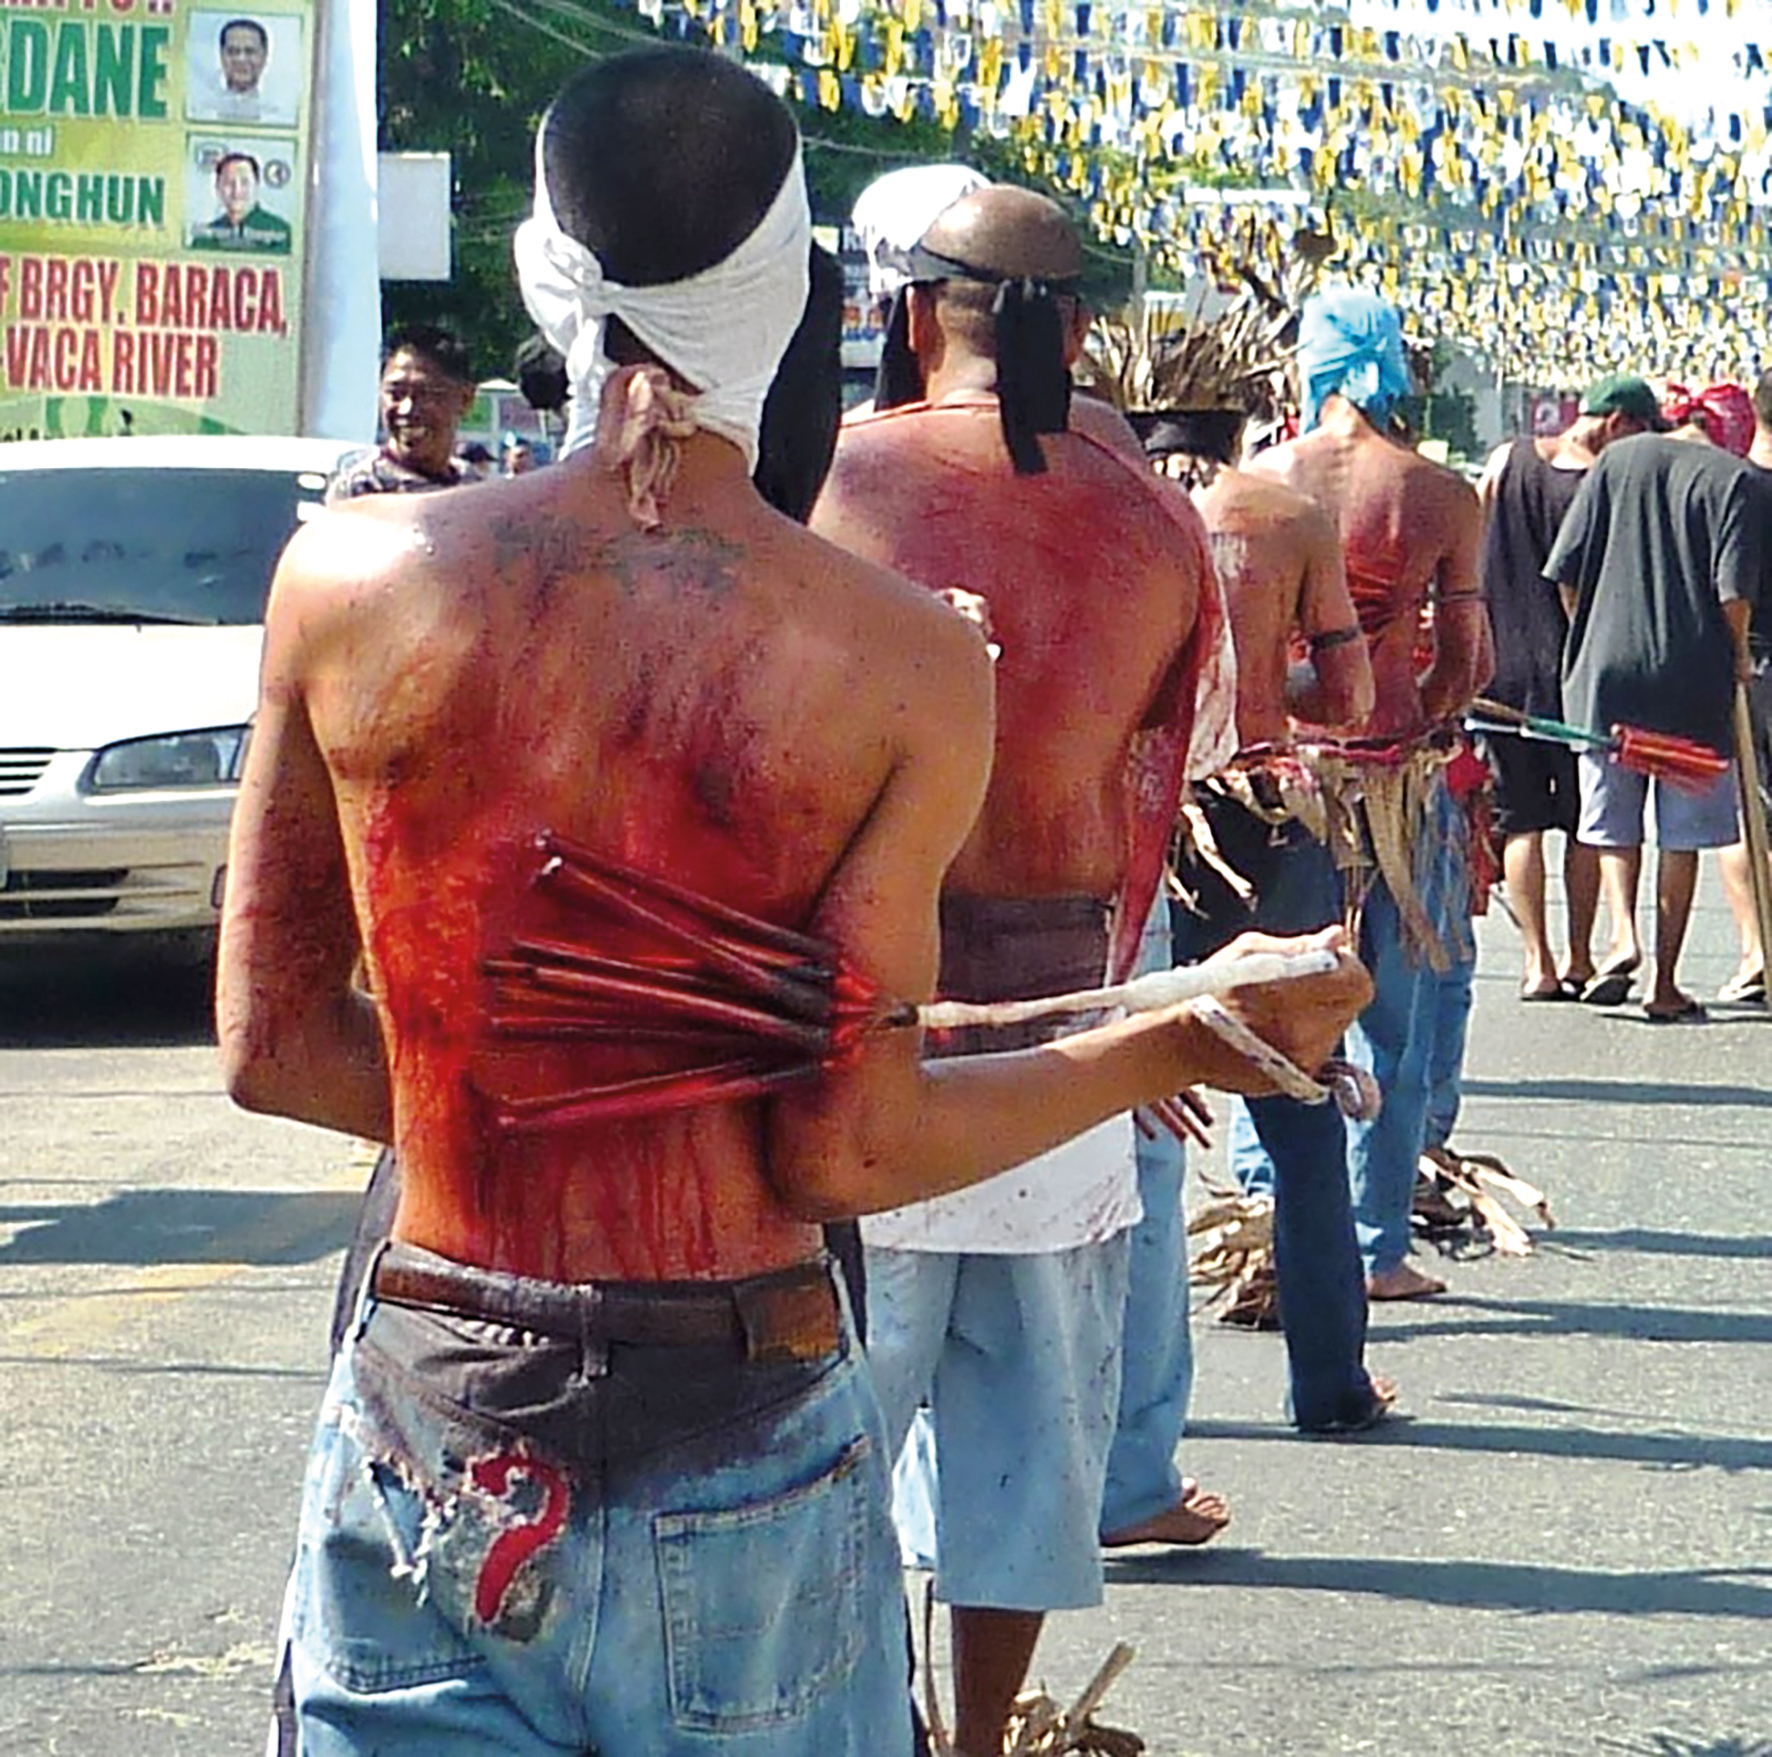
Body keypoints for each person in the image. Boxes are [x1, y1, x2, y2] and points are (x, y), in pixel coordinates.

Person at [220, 47, 1369, 1756]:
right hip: (740, 1411)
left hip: (440, 1408)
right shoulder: (902, 662)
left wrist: (515, 1125)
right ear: (802, 294)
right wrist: (1175, 1039)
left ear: (545, 275)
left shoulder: (345, 583)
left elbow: (272, 1048)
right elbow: (844, 1150)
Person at [810, 185, 1245, 1757]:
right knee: (1025, 1455)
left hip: (858, 1034)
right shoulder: (1153, 522)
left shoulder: (830, 482)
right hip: (1069, 1041)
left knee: (826, 1444)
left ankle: (871, 1724)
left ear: (917, 316)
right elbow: (1182, 765)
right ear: (1073, 334)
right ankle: (978, 1738)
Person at [1116, 404, 1393, 1441]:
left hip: (1125, 825)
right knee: (1297, 1098)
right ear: (1240, 426)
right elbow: (1350, 692)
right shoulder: (1281, 517)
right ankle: (1329, 1384)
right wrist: (1264, 684)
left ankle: (1121, 1430)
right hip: (1261, 820)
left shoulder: (1102, 507)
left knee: (1109, 1105)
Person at [1247, 287, 1489, 1300]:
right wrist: (1427, 712)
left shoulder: (1260, 480)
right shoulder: (1434, 491)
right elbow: (1467, 657)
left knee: (1267, 998)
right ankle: (1374, 1245)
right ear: (1389, 364)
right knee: (1396, 1016)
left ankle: (1264, 1210)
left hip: (1279, 781)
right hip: (1391, 777)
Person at [1545, 400, 1767, 1024]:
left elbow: (1565, 573)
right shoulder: (1734, 481)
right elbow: (1733, 595)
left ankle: (1621, 936)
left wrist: (1589, 635)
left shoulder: (1615, 460)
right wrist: (1740, 658)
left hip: (1604, 676)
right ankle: (1664, 982)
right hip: (1691, 682)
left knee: (1612, 821)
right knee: (1684, 836)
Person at [1474, 375, 1663, 1005]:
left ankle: (1539, 963)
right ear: (1617, 424)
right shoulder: (1600, 483)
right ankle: (1582, 957)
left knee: (1520, 821)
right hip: (1576, 674)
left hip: (1501, 668)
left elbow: (1472, 536)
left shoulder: (1507, 459)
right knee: (1585, 820)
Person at [1713, 370, 1772, 1005]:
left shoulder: (1737, 485)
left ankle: (1759, 951)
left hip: (1754, 663)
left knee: (1746, 815)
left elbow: (1734, 590)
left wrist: (1731, 656)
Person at [326, 326, 479, 504]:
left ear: (465, 399)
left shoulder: (474, 491)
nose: (407, 409)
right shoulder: (363, 491)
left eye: (426, 394)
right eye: (396, 394)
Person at [190, 18, 296, 124]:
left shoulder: (278, 116)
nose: (241, 59)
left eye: (249, 52)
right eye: (233, 51)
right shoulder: (201, 113)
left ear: (264, 57)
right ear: (221, 56)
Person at [189, 151, 291, 254]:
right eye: (229, 182)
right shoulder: (205, 238)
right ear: (217, 188)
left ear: (257, 185)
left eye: (245, 182)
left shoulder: (280, 233)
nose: (237, 191)